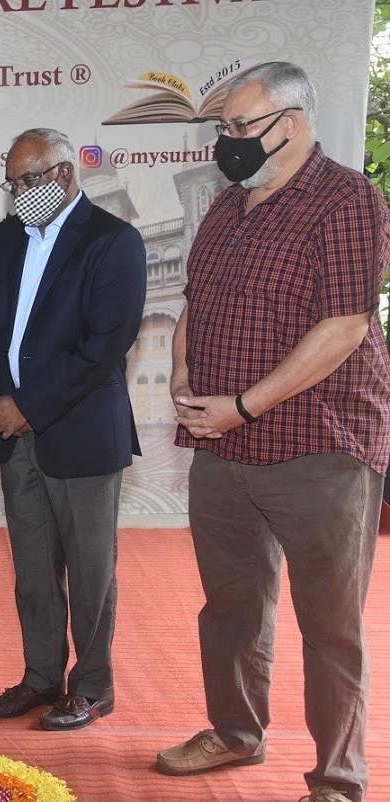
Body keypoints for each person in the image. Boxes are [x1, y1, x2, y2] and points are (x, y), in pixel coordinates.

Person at [156, 62, 390, 802]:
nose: (226, 142)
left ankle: (337, 780)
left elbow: (346, 326)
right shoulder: (229, 206)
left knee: (330, 626)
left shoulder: (349, 199)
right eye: (221, 128)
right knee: (230, 603)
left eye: (238, 127)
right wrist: (181, 371)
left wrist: (246, 404)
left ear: (289, 122)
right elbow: (196, 300)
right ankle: (234, 732)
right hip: (222, 445)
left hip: (318, 448)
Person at [0, 128, 146, 730]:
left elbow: (104, 347)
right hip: (14, 431)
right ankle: (41, 676)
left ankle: (92, 686)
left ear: (63, 176)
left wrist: (30, 406)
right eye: (10, 183)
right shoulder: (6, 238)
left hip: (81, 429)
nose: (16, 194)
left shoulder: (112, 241)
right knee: (33, 568)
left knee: (92, 571)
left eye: (27, 181)